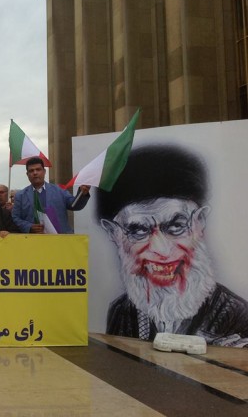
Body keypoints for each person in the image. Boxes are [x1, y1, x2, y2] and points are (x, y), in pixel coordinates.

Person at [96, 144, 248, 347]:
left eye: (176, 226)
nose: (162, 249)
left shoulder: (237, 316)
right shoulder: (120, 311)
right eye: (139, 230)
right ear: (114, 233)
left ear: (199, 221)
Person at [12, 157, 90, 234]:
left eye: (38, 169)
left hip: (60, 238)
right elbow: (15, 217)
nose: (35, 173)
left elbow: (74, 205)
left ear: (44, 171)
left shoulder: (60, 190)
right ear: (27, 174)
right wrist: (29, 227)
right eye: (31, 171)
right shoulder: (20, 196)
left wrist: (82, 194)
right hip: (33, 239)